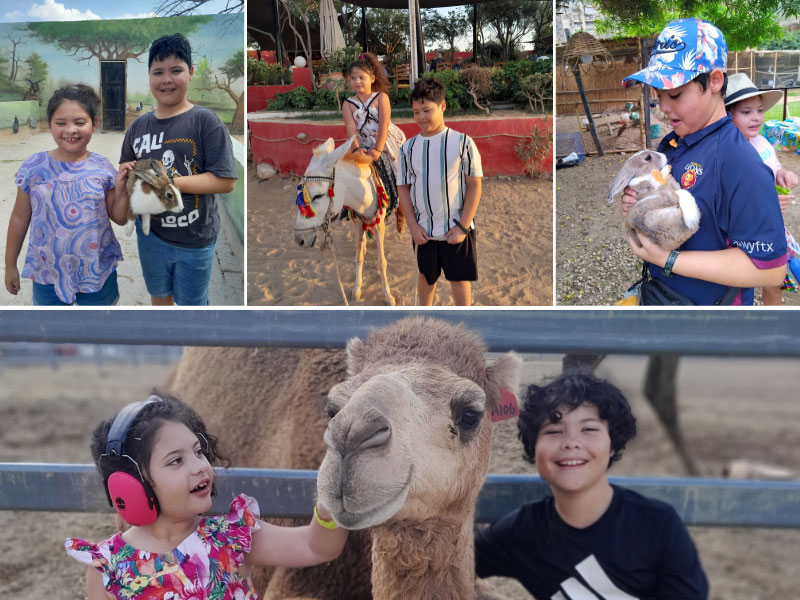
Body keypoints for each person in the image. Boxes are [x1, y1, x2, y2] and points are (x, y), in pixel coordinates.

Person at [65, 394, 348, 599]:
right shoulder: (108, 567)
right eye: (176, 461)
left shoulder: (231, 537)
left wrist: (328, 508)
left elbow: (316, 547)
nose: (200, 466)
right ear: (131, 486)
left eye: (199, 452)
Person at [475, 371, 709, 599]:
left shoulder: (658, 525)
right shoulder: (521, 533)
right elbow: (452, 564)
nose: (571, 443)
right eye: (554, 431)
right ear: (534, 449)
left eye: (589, 429)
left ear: (613, 445)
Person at [620, 18, 787, 305]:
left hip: (710, 322)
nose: (663, 107)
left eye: (674, 94)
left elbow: (770, 270)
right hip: (664, 300)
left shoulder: (739, 162)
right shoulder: (672, 143)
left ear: (714, 81)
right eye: (658, 95)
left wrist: (668, 259)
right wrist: (639, 202)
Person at [120, 33, 237, 306]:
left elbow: (225, 181)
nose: (167, 79)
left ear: (191, 72)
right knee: (159, 298)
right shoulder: (138, 127)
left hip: (196, 239)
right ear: (149, 77)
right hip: (151, 237)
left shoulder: (205, 121)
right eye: (158, 72)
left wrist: (170, 184)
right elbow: (129, 176)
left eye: (176, 70)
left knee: (192, 307)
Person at [5, 84, 131, 305]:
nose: (70, 130)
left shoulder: (102, 167)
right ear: (50, 125)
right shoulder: (34, 168)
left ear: (94, 124)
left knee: (98, 330)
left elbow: (119, 218)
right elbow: (19, 218)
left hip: (96, 269)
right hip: (47, 271)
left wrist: (121, 191)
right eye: (60, 123)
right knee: (53, 332)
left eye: (80, 122)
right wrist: (10, 265)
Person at [397, 78, 483, 306]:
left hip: (455, 229)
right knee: (426, 278)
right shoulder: (407, 148)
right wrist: (413, 227)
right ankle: (423, 321)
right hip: (423, 232)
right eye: (416, 112)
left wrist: (463, 227)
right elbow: (403, 189)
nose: (421, 117)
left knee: (459, 278)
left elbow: (474, 185)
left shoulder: (462, 143)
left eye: (427, 110)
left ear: (442, 106)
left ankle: (464, 324)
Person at [725, 72, 799, 305]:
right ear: (728, 116)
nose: (756, 118)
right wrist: (768, 205)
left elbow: (774, 170)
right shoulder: (729, 153)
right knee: (735, 288)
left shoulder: (762, 142)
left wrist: (783, 174)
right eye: (746, 112)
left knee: (775, 282)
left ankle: (772, 329)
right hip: (744, 235)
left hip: (772, 228)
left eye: (759, 110)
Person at [342, 52, 406, 225]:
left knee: (396, 170)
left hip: (384, 141)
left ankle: (399, 206)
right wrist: (356, 149)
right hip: (362, 143)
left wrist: (378, 150)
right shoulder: (348, 104)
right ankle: (352, 209)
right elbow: (350, 128)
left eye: (361, 77)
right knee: (345, 172)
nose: (357, 82)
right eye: (353, 78)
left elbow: (384, 124)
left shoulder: (381, 98)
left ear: (372, 78)